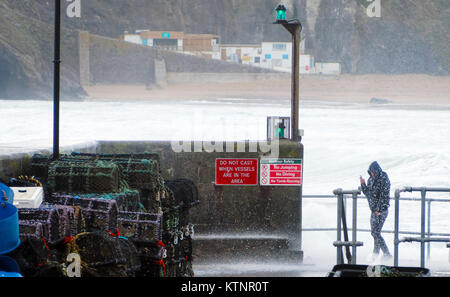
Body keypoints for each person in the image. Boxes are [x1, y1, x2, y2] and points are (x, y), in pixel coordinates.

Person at [360, 161, 392, 260]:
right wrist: (363, 184)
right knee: (374, 233)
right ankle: (376, 254)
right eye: (371, 172)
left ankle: (386, 254)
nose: (372, 174)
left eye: (374, 172)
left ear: (377, 170)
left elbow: (384, 195)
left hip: (382, 210)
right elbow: (368, 194)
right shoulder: (371, 180)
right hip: (373, 210)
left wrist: (379, 209)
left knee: (376, 233)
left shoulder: (384, 178)